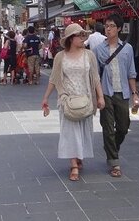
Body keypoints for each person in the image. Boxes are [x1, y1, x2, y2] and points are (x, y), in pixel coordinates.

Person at [41, 23, 105, 182]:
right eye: (79, 35)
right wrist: (46, 98)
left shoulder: (89, 55)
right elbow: (54, 78)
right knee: (69, 132)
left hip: (85, 98)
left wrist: (100, 97)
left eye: (84, 35)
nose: (83, 38)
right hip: (66, 99)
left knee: (83, 130)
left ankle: (79, 156)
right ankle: (74, 165)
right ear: (70, 39)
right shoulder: (60, 57)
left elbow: (95, 78)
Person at [95, 14, 138, 177]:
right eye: (106, 26)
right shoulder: (98, 49)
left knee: (123, 126)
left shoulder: (127, 48)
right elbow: (95, 74)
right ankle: (114, 162)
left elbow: (131, 73)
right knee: (108, 127)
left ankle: (111, 147)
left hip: (123, 92)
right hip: (105, 92)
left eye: (112, 26)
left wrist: (135, 94)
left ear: (119, 28)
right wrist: (97, 96)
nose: (108, 29)